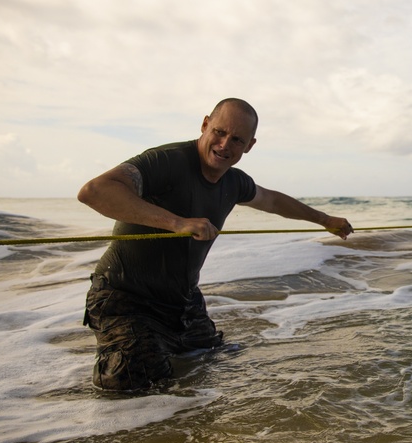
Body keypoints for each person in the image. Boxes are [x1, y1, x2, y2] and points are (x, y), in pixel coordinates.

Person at [78, 98, 354, 391]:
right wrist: (177, 222)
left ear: (249, 145)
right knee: (136, 387)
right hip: (124, 297)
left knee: (212, 365)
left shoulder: (234, 182)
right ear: (205, 124)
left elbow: (272, 200)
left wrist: (325, 219)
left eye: (237, 139)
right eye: (219, 132)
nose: (224, 145)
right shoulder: (168, 160)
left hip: (182, 302)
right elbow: (95, 191)